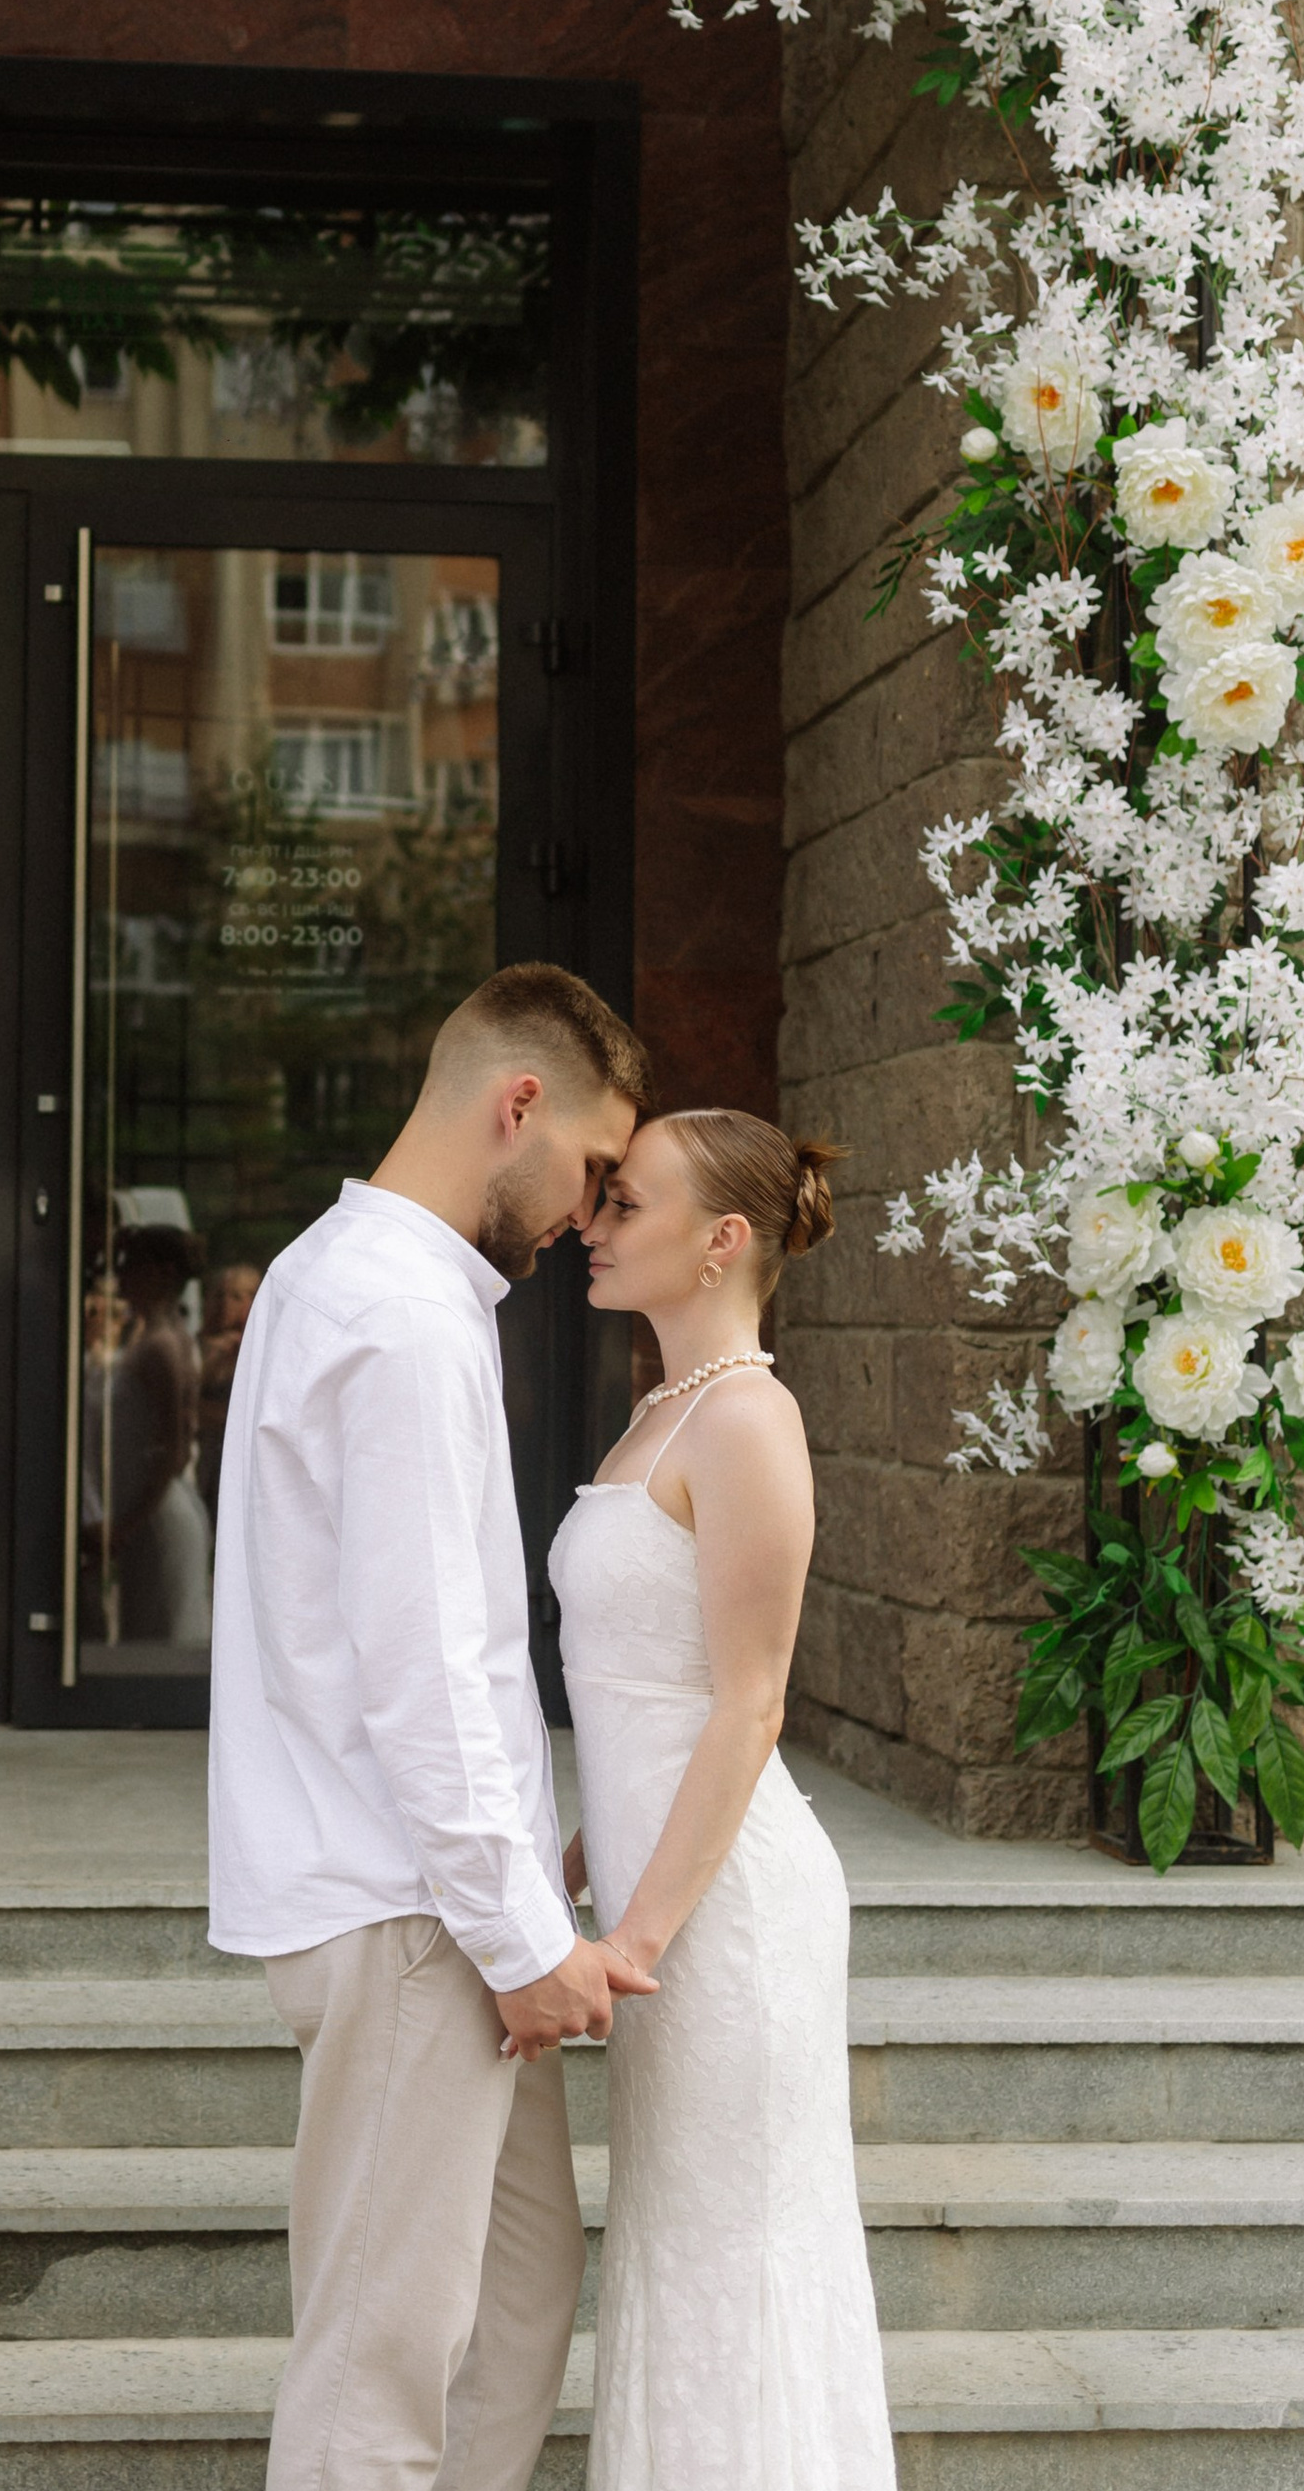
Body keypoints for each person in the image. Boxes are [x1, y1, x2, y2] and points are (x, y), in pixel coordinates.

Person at [207, 962, 657, 2491]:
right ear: (515, 1106)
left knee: (521, 2297)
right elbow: (431, 1666)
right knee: (376, 2372)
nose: (591, 1213)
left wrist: (519, 1902)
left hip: (441, 1903)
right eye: (596, 1170)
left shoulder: (348, 1278)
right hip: (412, 1911)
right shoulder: (395, 1318)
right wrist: (517, 1932)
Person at [558, 1108, 893, 2489]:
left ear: (723, 1242)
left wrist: (636, 1936)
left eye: (628, 1205)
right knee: (677, 2244)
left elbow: (750, 1703)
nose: (595, 1225)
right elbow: (649, 1682)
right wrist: (586, 1852)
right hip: (655, 1894)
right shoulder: (663, 1408)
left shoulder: (750, 1417)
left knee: (735, 2253)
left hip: (725, 1918)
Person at [95, 1224, 210, 1648]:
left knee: (158, 1631)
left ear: (160, 1273)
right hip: (151, 1504)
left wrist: (127, 1523)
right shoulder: (158, 1335)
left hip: (157, 1509)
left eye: (132, 1266)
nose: (121, 1276)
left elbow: (173, 1447)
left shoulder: (163, 1345)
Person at [195, 1260, 261, 1527]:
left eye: (236, 1296)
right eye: (219, 1294)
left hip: (237, 1464)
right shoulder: (198, 1345)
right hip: (202, 1457)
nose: (225, 1304)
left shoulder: (257, 1349)